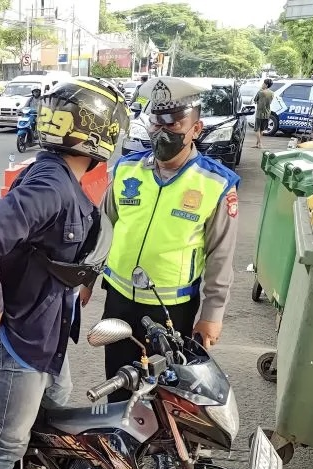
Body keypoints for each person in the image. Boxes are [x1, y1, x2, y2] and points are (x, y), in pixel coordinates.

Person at [0, 77, 129, 469]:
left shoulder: (59, 173)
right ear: (97, 131)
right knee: (4, 444)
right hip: (22, 335)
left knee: (59, 398)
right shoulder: (52, 183)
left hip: (47, 324)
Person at [83, 76, 240, 405]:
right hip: (120, 299)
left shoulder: (215, 183)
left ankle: (161, 454)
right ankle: (121, 449)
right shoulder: (127, 170)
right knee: (119, 382)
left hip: (172, 309)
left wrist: (212, 313)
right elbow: (103, 227)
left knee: (164, 389)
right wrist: (86, 276)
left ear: (196, 129)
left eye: (174, 123)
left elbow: (220, 256)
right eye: (156, 122)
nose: (162, 132)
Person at [252, 78, 274, 148]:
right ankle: (257, 144)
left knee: (257, 129)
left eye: (263, 83)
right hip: (267, 113)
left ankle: (260, 143)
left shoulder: (260, 92)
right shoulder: (272, 93)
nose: (262, 85)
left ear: (266, 85)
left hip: (260, 113)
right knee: (261, 129)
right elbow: (270, 102)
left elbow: (255, 100)